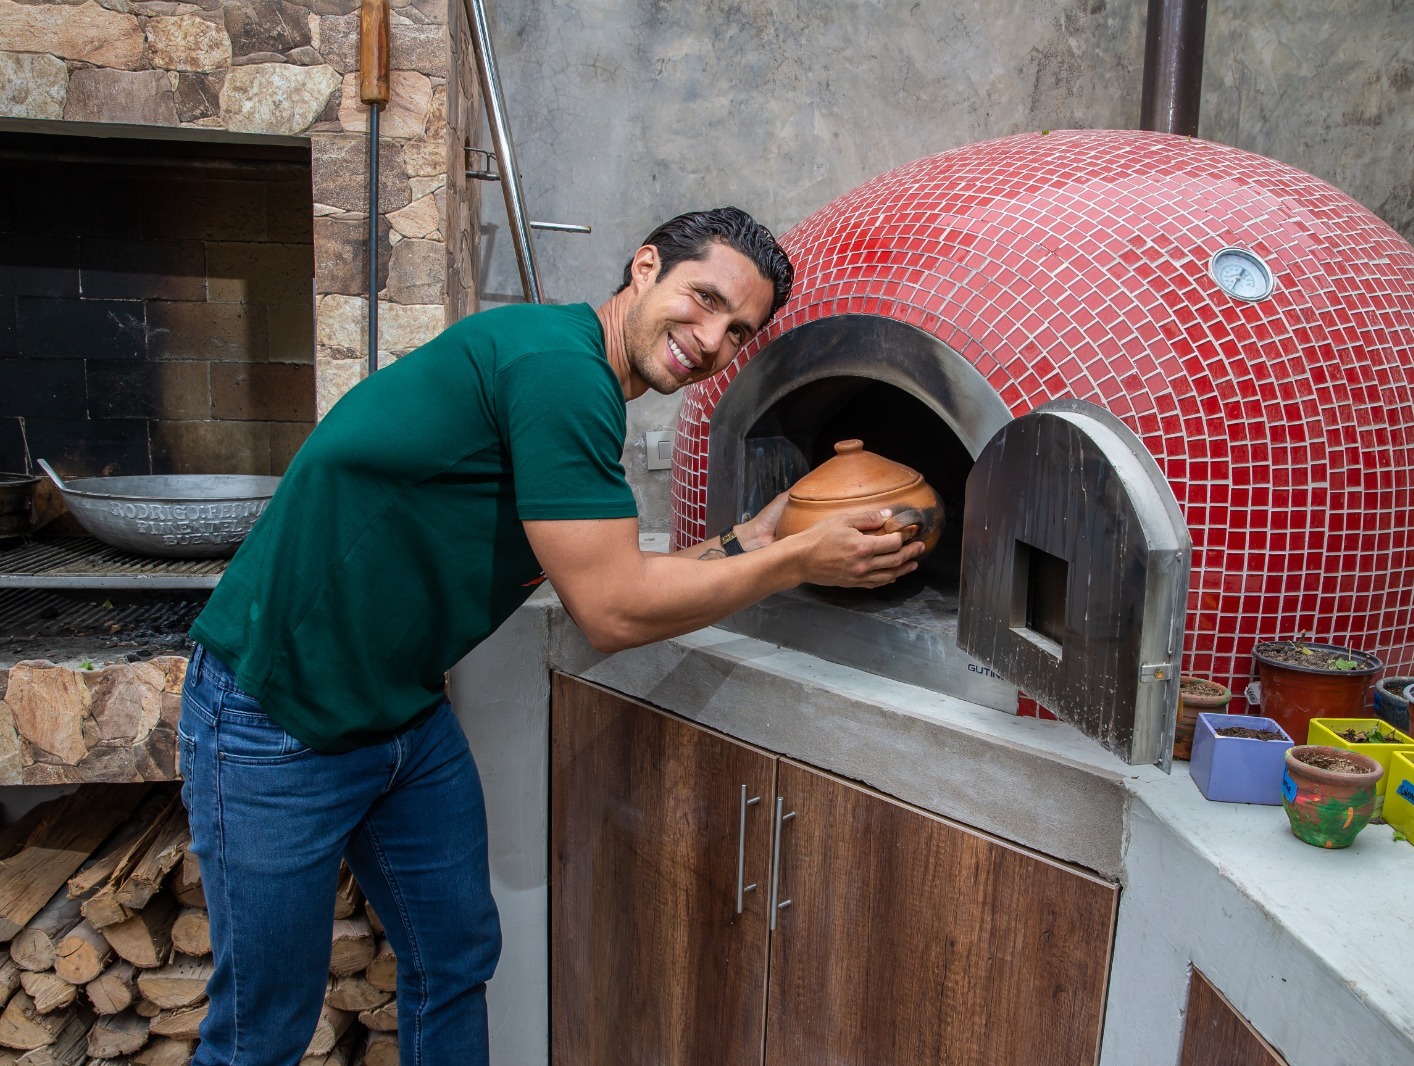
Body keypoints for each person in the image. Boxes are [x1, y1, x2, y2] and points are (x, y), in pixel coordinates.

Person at [178, 206, 923, 1066]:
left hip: (400, 714)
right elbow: (610, 611)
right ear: (645, 268)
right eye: (704, 298)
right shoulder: (560, 371)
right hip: (275, 715)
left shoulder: (575, 373)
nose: (712, 339)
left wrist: (750, 541)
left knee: (454, 960)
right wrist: (795, 561)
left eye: (738, 331)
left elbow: (610, 574)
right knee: (259, 1034)